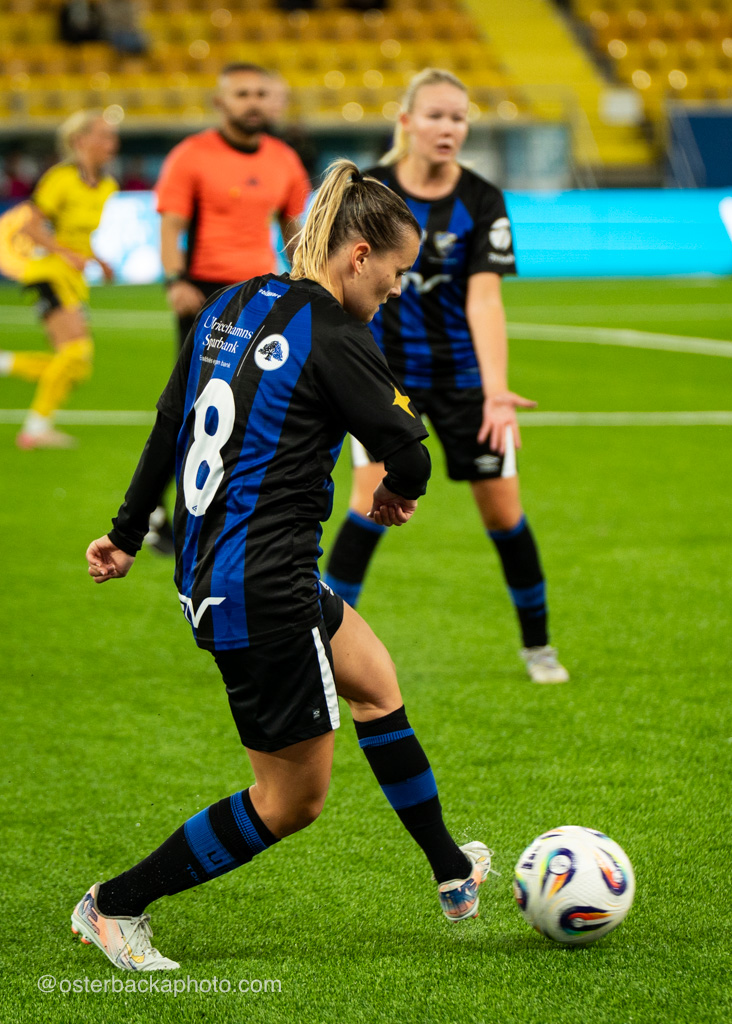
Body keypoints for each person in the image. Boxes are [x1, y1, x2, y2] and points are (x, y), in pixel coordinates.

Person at [74, 160, 493, 972]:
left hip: (227, 569)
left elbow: (168, 423)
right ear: (359, 256)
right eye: (396, 272)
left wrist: (126, 534)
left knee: (374, 681)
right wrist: (397, 494)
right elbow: (410, 452)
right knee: (291, 801)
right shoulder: (336, 335)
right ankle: (114, 905)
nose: (397, 290)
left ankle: (450, 871)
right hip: (258, 589)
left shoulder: (229, 302)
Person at [323, 69, 569, 685]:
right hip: (383, 378)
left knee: (503, 513)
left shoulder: (481, 198)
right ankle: (318, 642)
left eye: (459, 117)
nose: (448, 127)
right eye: (435, 115)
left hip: (463, 381)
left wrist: (496, 392)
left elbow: (484, 300)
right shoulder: (369, 192)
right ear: (406, 121)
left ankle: (538, 647)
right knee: (366, 502)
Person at [148, 62, 311, 552]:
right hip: (204, 295)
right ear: (220, 102)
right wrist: (175, 280)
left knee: (250, 407)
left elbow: (294, 229)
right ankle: (158, 513)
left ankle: (227, 512)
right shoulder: (191, 155)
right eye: (242, 93)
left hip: (261, 295)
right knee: (193, 408)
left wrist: (309, 281)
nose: (253, 102)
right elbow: (172, 225)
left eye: (261, 92)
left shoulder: (284, 159)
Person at [0, 111, 117, 449]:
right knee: (76, 351)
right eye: (103, 135)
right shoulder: (61, 178)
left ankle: (6, 363)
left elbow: (80, 237)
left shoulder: (107, 186)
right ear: (79, 140)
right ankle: (36, 428)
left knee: (76, 367)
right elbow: (30, 227)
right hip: (48, 273)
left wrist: (98, 260)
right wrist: (65, 253)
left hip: (72, 278)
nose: (112, 143)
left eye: (112, 136)